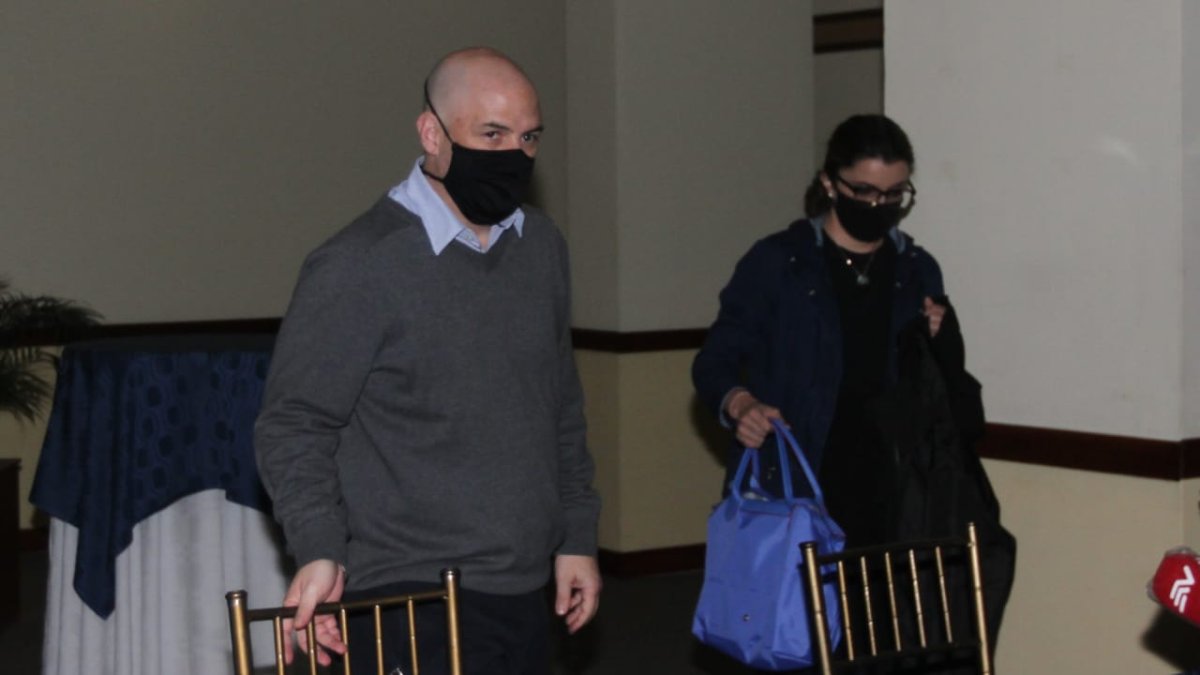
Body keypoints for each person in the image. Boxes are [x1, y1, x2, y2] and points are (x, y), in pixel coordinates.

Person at [254, 47, 601, 675]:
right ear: (431, 133)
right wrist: (318, 547)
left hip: (522, 584)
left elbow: (560, 404)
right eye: (490, 134)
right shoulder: (359, 264)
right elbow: (294, 424)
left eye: (528, 138)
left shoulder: (542, 247)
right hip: (406, 593)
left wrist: (576, 535)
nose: (513, 156)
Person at [691, 114, 948, 548]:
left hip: (891, 484)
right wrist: (741, 403)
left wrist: (941, 337)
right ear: (830, 183)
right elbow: (715, 360)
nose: (877, 205)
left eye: (893, 195)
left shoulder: (917, 271)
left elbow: (933, 389)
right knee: (801, 614)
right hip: (797, 477)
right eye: (863, 191)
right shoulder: (779, 263)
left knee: (881, 614)